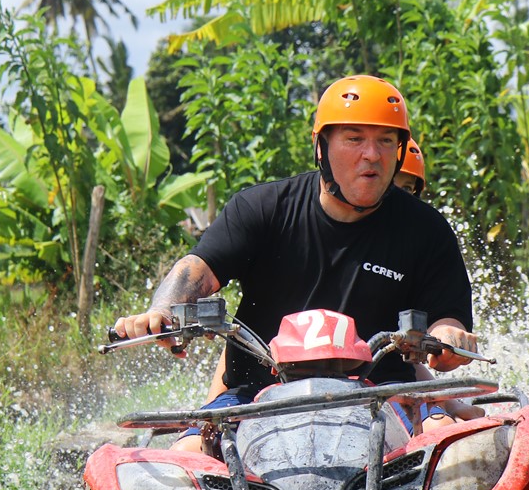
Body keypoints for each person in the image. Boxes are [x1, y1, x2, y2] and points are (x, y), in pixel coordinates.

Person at [114, 75, 479, 450]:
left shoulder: (427, 228)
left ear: (400, 150)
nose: (372, 154)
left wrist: (449, 337)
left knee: (449, 454)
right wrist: (161, 311)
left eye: (385, 140)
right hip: (256, 393)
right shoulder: (261, 208)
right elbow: (197, 271)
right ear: (321, 146)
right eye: (354, 138)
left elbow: (447, 317)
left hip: (381, 395)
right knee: (185, 456)